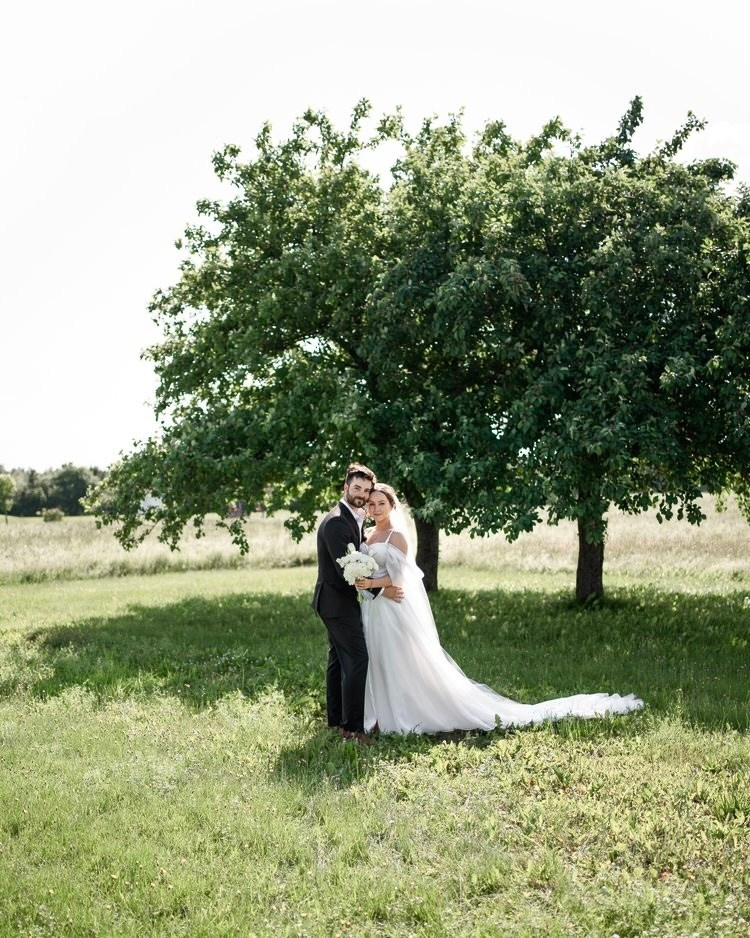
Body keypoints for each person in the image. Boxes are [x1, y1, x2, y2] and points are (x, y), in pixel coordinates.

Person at [355, 484, 644, 735]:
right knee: (378, 658)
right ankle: (380, 716)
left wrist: (369, 581)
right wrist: (363, 581)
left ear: (392, 506)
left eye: (382, 503)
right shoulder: (368, 535)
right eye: (372, 504)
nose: (377, 508)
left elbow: (399, 578)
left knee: (397, 659)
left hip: (393, 609)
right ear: (367, 508)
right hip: (374, 607)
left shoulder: (396, 536)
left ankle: (403, 715)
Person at [312, 464, 404, 743]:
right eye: (357, 488)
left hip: (335, 601)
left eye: (366, 490)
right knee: (357, 659)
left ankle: (337, 720)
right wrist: (380, 591)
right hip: (336, 603)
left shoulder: (355, 517)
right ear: (346, 487)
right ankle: (352, 728)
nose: (362, 495)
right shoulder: (338, 521)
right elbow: (347, 570)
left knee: (338, 661)